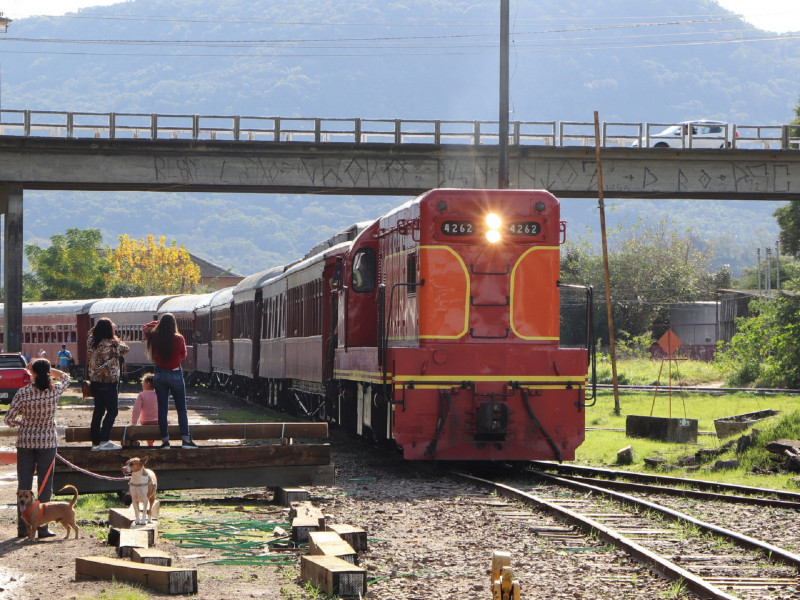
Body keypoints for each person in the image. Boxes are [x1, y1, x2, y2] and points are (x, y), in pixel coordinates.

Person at [4, 359, 71, 538]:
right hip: (47, 442)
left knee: (23, 486)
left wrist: (22, 422)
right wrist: (50, 370)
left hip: (25, 441)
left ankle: (23, 527)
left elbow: (8, 419)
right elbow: (66, 378)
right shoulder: (54, 390)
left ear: (31, 373)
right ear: (48, 373)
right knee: (44, 486)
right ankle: (42, 527)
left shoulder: (23, 392)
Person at [143, 313, 197, 449]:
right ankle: (185, 440)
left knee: (162, 409)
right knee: (181, 409)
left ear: (161, 324)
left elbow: (145, 327)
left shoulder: (154, 337)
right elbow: (183, 355)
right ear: (174, 324)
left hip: (160, 374)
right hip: (175, 374)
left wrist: (158, 322)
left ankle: (165, 441)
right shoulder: (179, 338)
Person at [87, 317, 129, 451]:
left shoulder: (91, 341)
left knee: (98, 411)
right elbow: (126, 348)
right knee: (112, 410)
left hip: (95, 380)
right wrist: (115, 336)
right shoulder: (113, 343)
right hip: (110, 381)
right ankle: (105, 440)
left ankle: (95, 443)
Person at [131, 373, 159, 447]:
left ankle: (150, 443)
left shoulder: (142, 395)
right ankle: (151, 443)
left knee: (148, 426)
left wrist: (134, 423)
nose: (142, 385)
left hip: (145, 421)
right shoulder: (158, 394)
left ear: (147, 383)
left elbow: (136, 410)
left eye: (143, 383)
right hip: (157, 421)